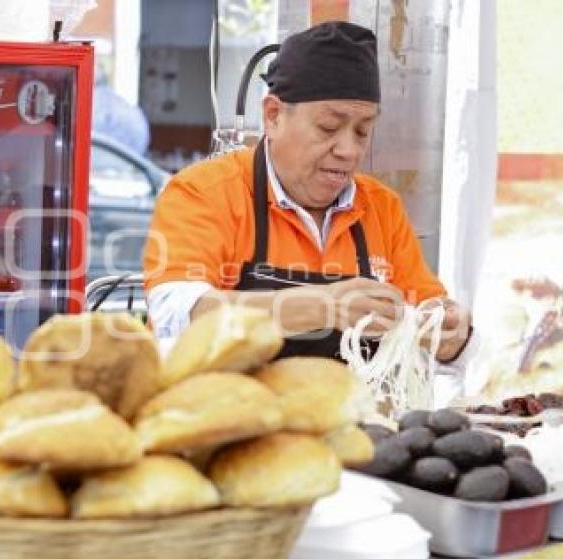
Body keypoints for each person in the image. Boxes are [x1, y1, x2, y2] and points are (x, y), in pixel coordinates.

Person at [143, 21, 472, 362]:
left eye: (362, 131)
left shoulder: (381, 207)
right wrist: (324, 306)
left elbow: (431, 316)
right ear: (273, 116)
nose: (348, 150)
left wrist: (451, 333)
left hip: (354, 411)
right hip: (230, 411)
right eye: (328, 127)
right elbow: (179, 316)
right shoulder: (203, 193)